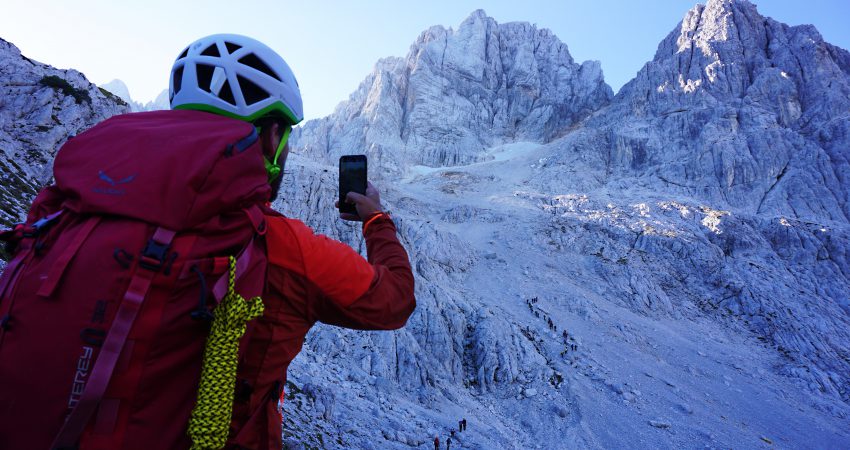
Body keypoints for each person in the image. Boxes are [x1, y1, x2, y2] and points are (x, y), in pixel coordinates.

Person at [0, 33, 416, 450]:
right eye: (287, 135)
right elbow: (394, 300)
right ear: (273, 137)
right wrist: (377, 220)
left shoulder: (74, 202)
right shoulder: (280, 245)